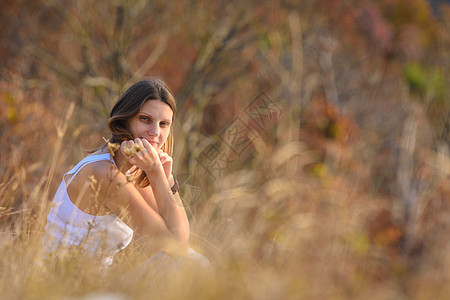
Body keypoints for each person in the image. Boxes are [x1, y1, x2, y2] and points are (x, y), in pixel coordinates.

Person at [42, 78, 209, 271]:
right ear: (125, 119)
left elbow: (180, 238)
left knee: (194, 262)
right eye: (145, 119)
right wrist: (155, 174)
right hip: (65, 285)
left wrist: (168, 180)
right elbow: (175, 247)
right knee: (191, 265)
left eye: (164, 124)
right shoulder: (103, 173)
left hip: (98, 283)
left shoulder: (134, 168)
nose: (155, 132)